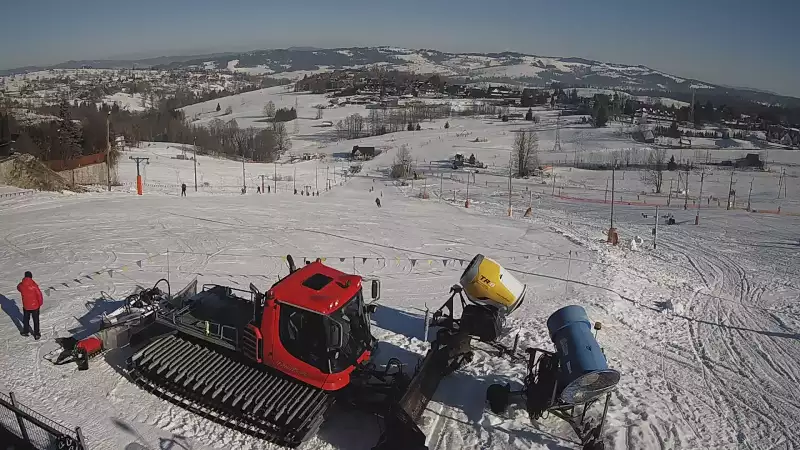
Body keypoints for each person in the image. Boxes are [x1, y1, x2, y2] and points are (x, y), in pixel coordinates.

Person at [17, 271, 43, 340]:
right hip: (35, 306)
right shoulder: (34, 285)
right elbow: (39, 295)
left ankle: (26, 331)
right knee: (36, 320)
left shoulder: (21, 285)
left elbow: (18, 288)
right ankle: (36, 334)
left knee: (26, 319)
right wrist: (40, 303)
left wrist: (22, 283)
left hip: (26, 306)